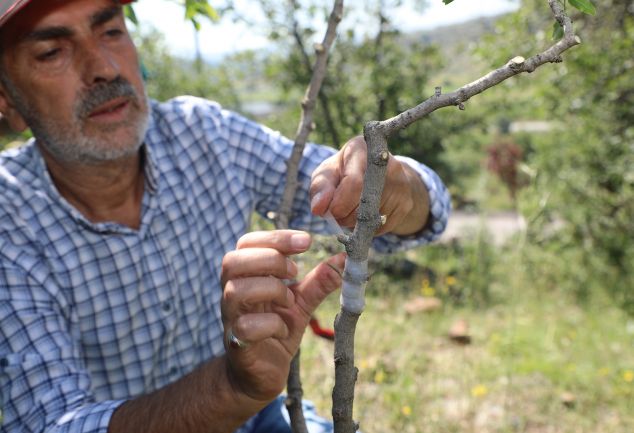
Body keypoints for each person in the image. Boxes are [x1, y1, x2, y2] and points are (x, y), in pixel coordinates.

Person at [0, 0, 451, 432]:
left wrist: (392, 187)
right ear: (9, 101)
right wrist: (232, 388)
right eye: (52, 51)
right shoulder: (9, 221)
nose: (104, 67)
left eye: (111, 31)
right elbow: (50, 424)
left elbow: (410, 215)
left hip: (258, 421)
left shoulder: (206, 136)